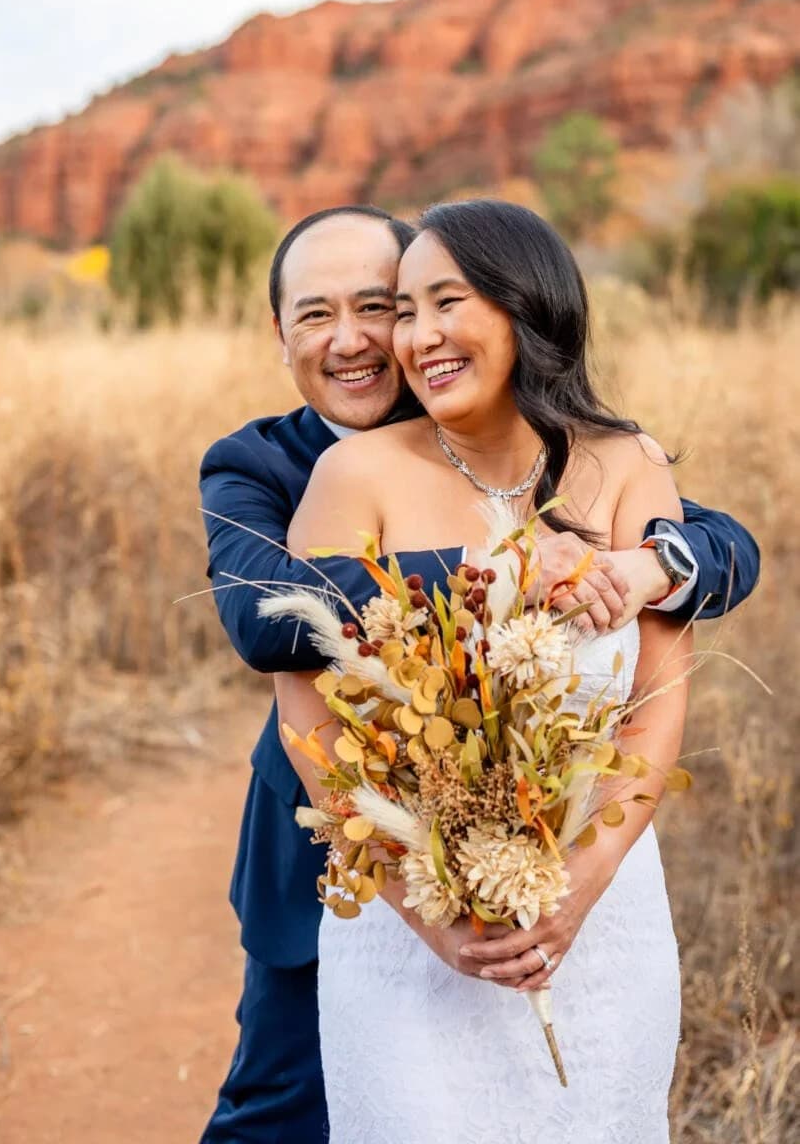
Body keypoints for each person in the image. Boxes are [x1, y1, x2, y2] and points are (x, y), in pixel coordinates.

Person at [199, 205, 760, 1143]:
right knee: (277, 1111)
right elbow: (267, 623)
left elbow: (712, 549)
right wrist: (485, 572)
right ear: (278, 332)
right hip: (357, 874)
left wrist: (653, 564)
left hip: (594, 904)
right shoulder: (271, 465)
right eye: (313, 315)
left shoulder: (604, 458)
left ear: (513, 308)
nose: (368, 340)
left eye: (387, 306)